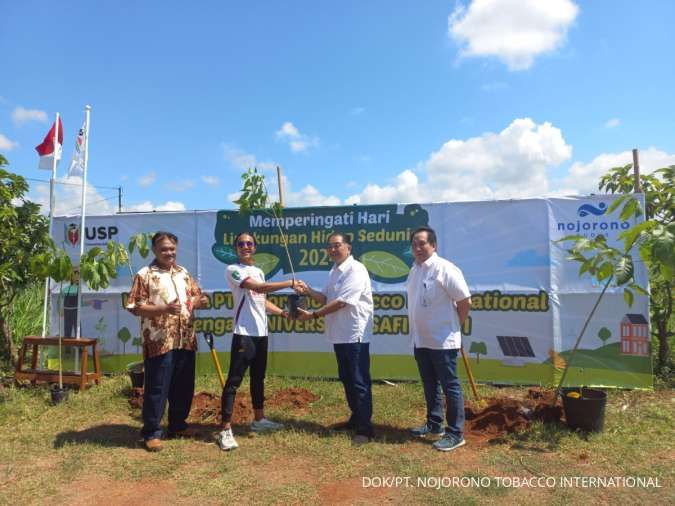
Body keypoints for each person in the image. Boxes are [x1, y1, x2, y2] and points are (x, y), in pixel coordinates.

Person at [217, 232, 303, 451]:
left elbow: (261, 300)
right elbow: (257, 288)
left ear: (255, 247)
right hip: (243, 332)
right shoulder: (233, 270)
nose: (245, 246)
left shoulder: (258, 271)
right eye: (241, 243)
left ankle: (259, 420)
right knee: (234, 381)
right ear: (236, 248)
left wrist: (283, 313)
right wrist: (289, 282)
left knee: (258, 378)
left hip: (261, 333)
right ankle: (225, 429)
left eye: (249, 243)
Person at [126, 231, 205, 452]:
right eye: (164, 249)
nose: (168, 252)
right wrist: (164, 309)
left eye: (171, 248)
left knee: (183, 385)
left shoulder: (183, 273)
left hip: (186, 338)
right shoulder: (145, 275)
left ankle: (178, 425)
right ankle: (151, 432)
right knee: (157, 387)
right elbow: (134, 306)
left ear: (176, 249)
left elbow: (198, 296)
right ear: (154, 251)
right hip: (160, 340)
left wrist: (197, 301)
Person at [295, 232, 374, 445]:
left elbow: (342, 302)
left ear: (348, 247)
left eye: (337, 245)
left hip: (354, 333)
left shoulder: (356, 269)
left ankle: (365, 429)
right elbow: (326, 298)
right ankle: (356, 418)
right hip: (339, 334)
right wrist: (308, 291)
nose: (332, 250)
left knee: (358, 381)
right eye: (329, 246)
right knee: (347, 378)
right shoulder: (334, 271)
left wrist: (313, 315)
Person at [406, 226, 471, 452]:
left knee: (450, 386)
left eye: (422, 243)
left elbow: (464, 301)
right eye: (414, 243)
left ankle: (456, 433)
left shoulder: (445, 269)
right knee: (429, 384)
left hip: (443, 341)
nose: (418, 247)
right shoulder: (414, 270)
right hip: (421, 340)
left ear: (434, 245)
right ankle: (435, 425)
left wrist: (454, 328)